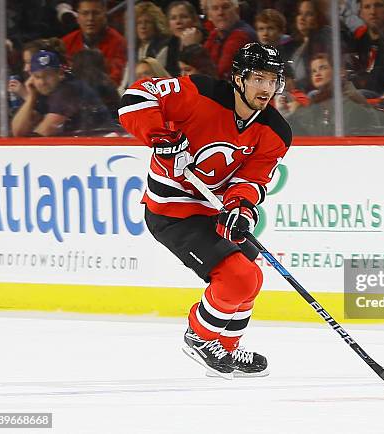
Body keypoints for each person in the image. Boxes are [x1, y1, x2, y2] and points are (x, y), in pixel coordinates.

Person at [118, 42, 291, 378]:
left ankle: (225, 349)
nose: (266, 88)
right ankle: (200, 336)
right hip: (171, 211)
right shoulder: (199, 92)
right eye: (259, 78)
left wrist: (240, 209)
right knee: (238, 278)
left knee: (251, 275)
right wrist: (161, 138)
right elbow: (134, 99)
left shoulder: (276, 132)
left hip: (211, 210)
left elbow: (253, 180)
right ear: (239, 78)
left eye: (273, 81)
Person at [11, 50, 112, 136]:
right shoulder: (42, 91)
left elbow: (43, 133)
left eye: (48, 75)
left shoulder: (68, 89)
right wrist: (31, 98)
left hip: (105, 142)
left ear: (60, 73)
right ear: (31, 77)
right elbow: (18, 131)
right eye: (37, 77)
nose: (42, 82)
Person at [62, 0, 127, 85]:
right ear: (77, 17)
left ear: (105, 15)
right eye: (85, 13)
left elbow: (116, 80)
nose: (90, 18)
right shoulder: (66, 42)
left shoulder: (119, 43)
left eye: (96, 13)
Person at [203, 0, 256, 79]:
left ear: (237, 11)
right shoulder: (216, 34)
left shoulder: (242, 35)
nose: (220, 13)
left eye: (225, 7)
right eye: (215, 8)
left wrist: (191, 46)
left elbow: (219, 74)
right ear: (209, 16)